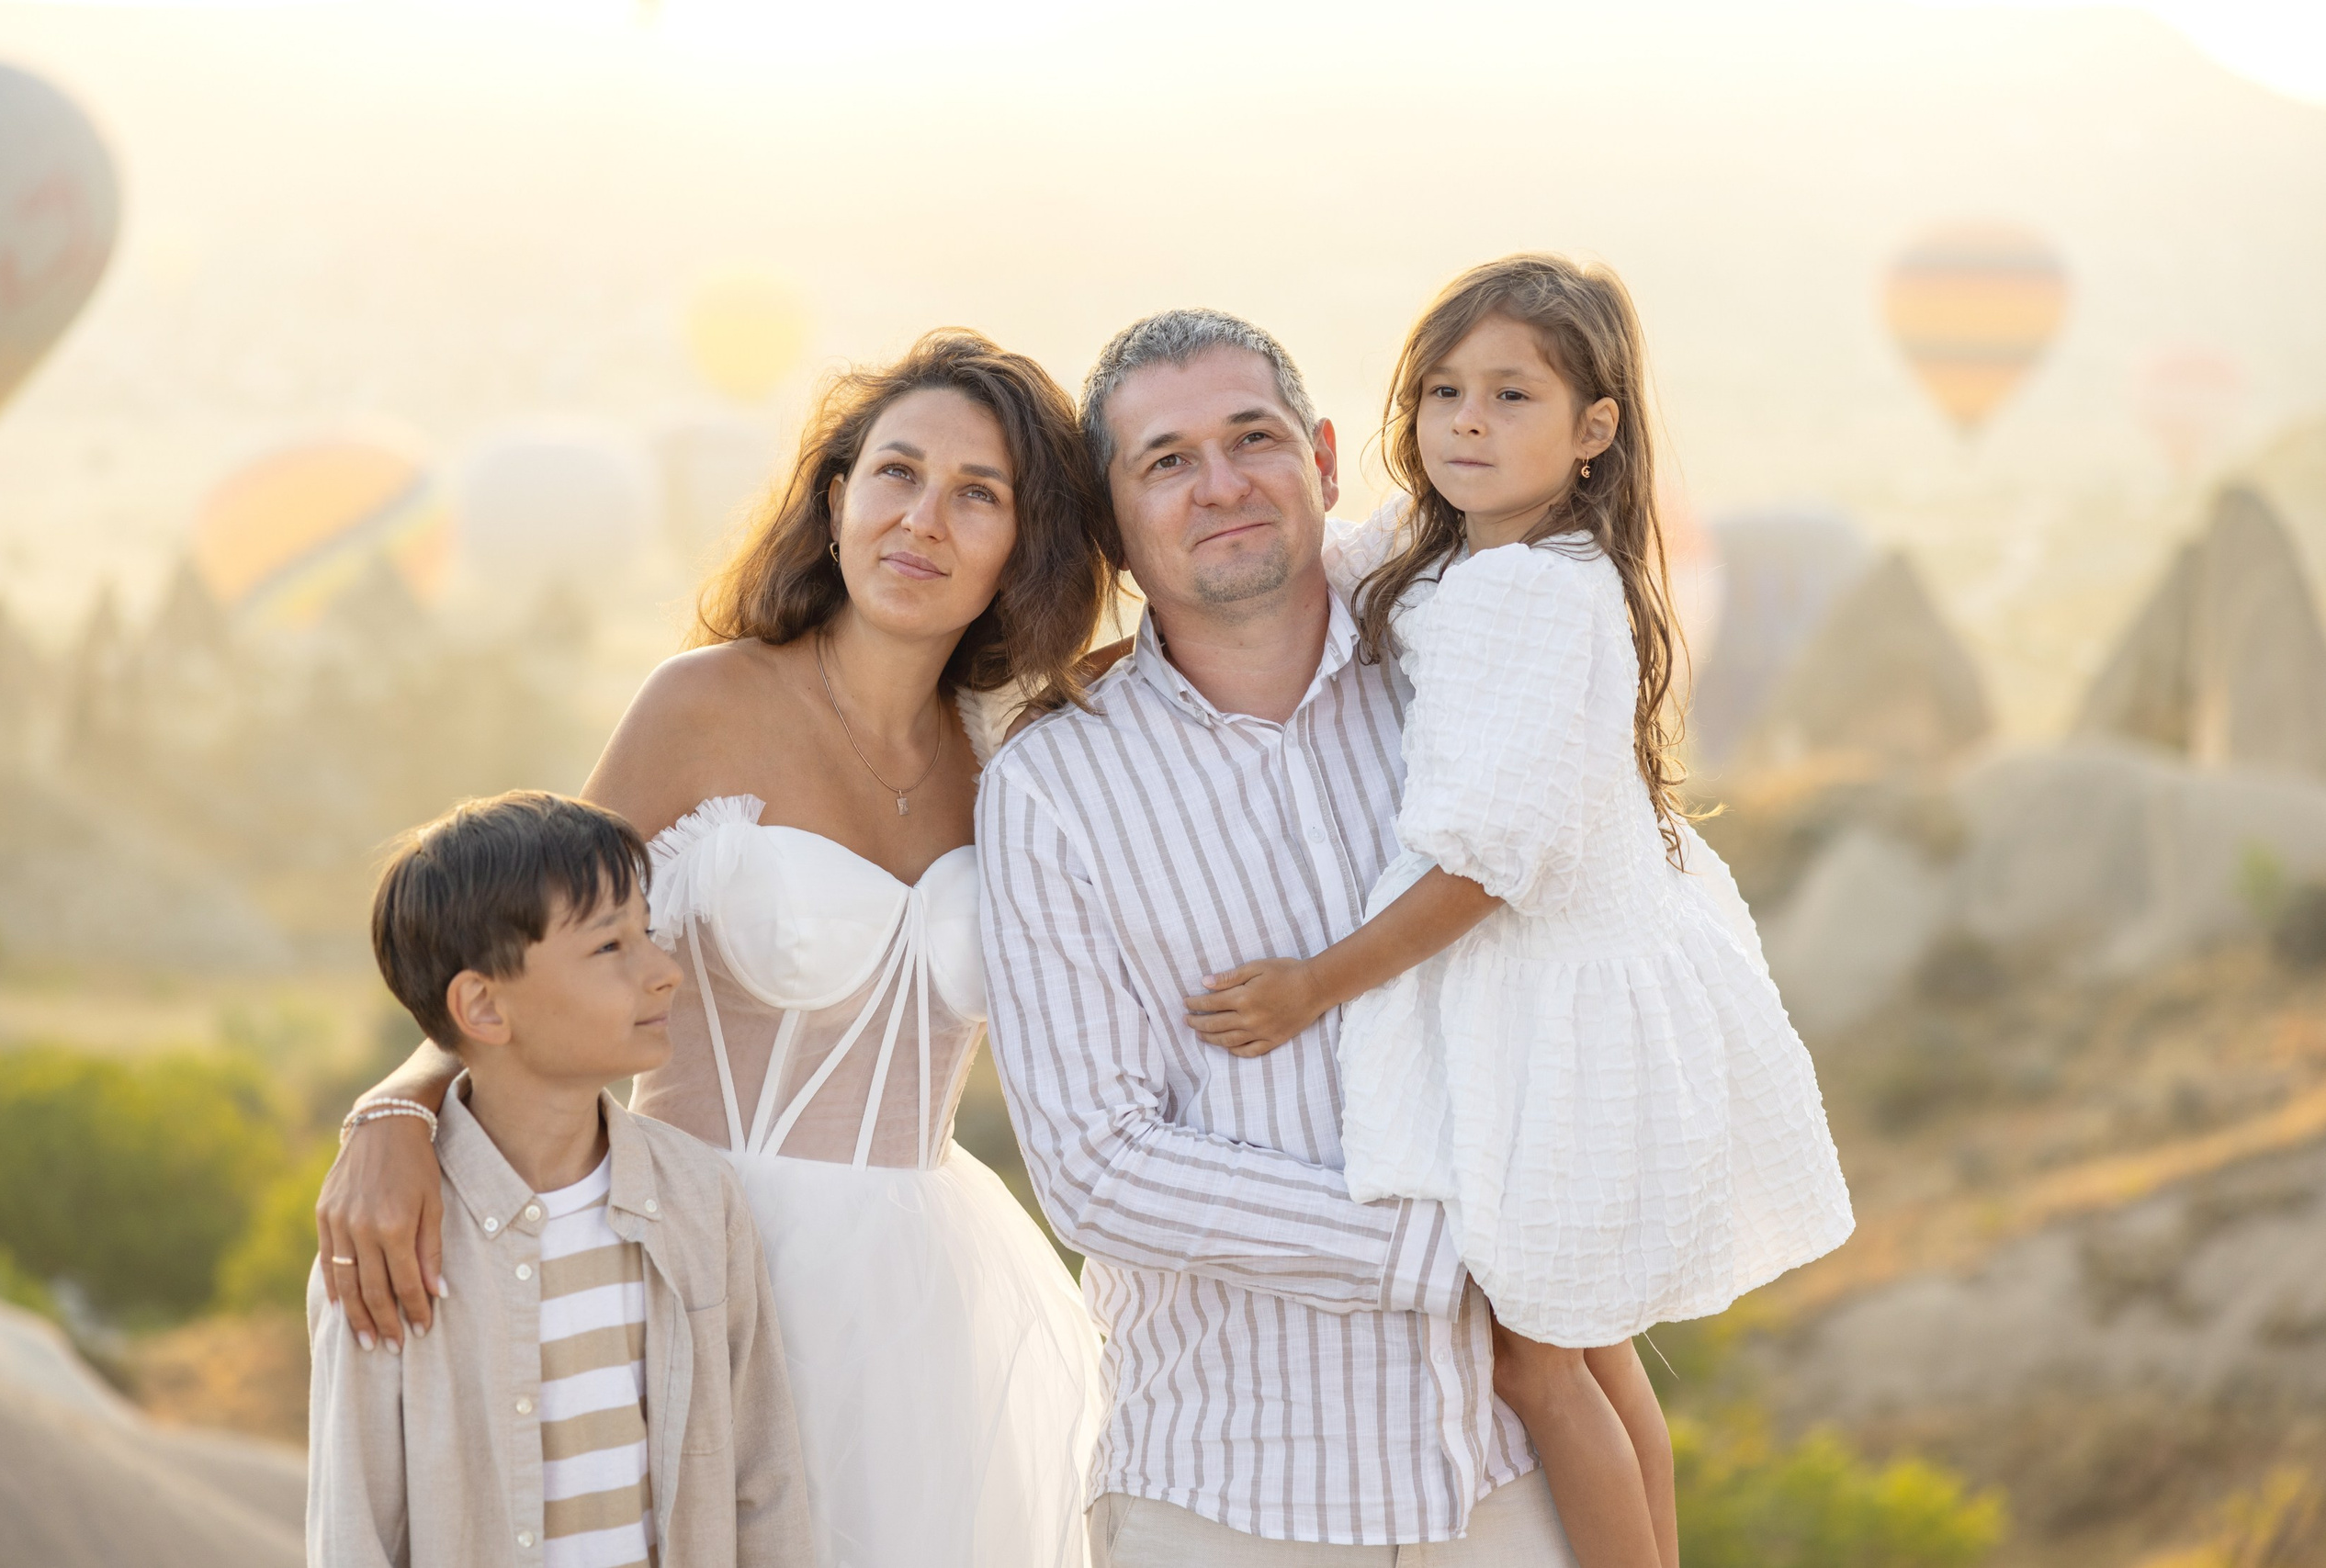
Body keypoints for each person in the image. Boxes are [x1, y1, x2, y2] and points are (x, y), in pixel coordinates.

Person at [315, 331, 1112, 1567]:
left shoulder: (1023, 754)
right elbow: (522, 958)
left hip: (924, 1293)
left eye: (978, 494)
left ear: (1027, 540)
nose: (923, 520)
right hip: (689, 1247)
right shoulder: (704, 703)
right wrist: (394, 1111)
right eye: (896, 473)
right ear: (837, 497)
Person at [1180, 256, 1857, 1568]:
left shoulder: (1532, 594)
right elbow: (1312, 556)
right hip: (1568, 982)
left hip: (1556, 999)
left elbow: (1488, 866)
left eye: (1510, 395)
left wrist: (1315, 985)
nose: (1467, 422)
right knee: (1585, 1336)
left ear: (1594, 429)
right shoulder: (1468, 554)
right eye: (1443, 392)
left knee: (1533, 1357)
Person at [979, 308, 1575, 1567]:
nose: (1222, 484)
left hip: (1512, 1467)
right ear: (1115, 518)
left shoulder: (1452, 664)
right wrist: (1438, 1242)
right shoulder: (1052, 783)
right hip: (1228, 1489)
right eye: (1167, 459)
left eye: (1252, 438)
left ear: (1322, 455)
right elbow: (1095, 1162)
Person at [308, 790, 811, 1568]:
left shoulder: (700, 1198)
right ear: (481, 1003)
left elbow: (763, 1476)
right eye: (611, 947)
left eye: (648, 933)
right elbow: (355, 1527)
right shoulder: (389, 1237)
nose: (664, 972)